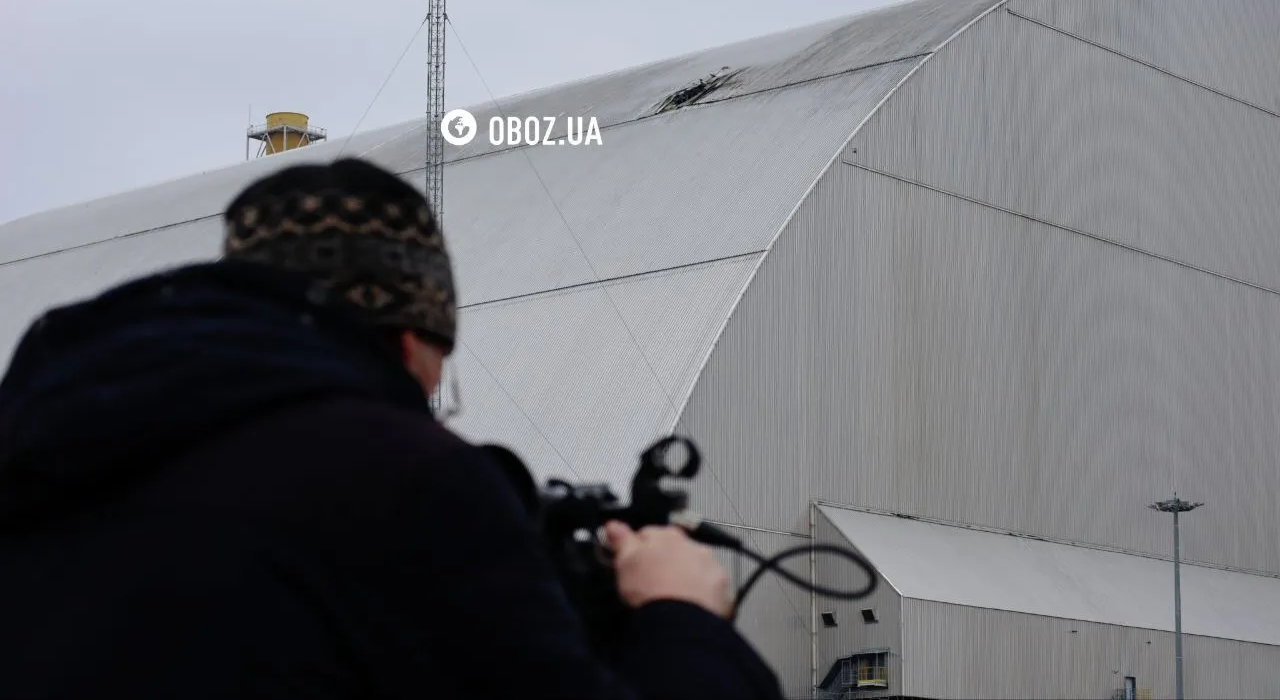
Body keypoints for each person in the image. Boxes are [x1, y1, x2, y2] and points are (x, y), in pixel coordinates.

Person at [0, 158, 783, 699]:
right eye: (442, 368)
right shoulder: (403, 481)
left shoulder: (43, 452)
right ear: (411, 338)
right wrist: (680, 618)